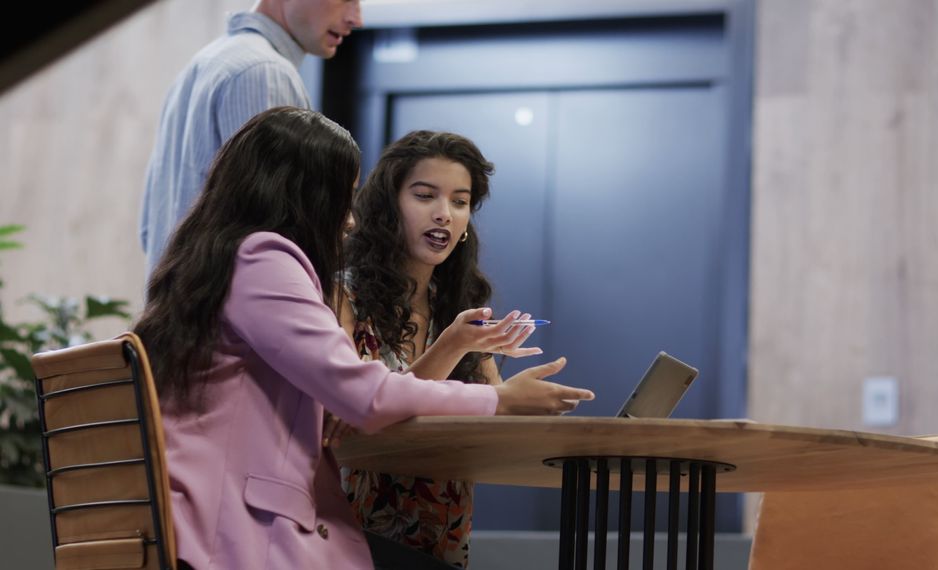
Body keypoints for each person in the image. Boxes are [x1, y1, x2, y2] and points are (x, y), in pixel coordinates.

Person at [133, 107, 594, 570]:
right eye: (343, 196)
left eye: (460, 201)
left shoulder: (223, 260)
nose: (349, 220)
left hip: (236, 519)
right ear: (306, 194)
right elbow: (363, 398)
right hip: (240, 529)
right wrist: (502, 400)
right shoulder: (265, 260)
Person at [337, 131, 540, 567]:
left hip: (443, 536)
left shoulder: (458, 308)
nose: (444, 215)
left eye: (460, 201)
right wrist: (453, 346)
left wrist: (525, 399)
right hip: (352, 536)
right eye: (425, 196)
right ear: (388, 205)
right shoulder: (343, 297)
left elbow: (492, 416)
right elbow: (365, 416)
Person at [139, 0, 362, 277]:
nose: (356, 18)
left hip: (183, 305)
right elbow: (272, 235)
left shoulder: (208, 59)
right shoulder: (264, 72)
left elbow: (150, 225)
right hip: (229, 311)